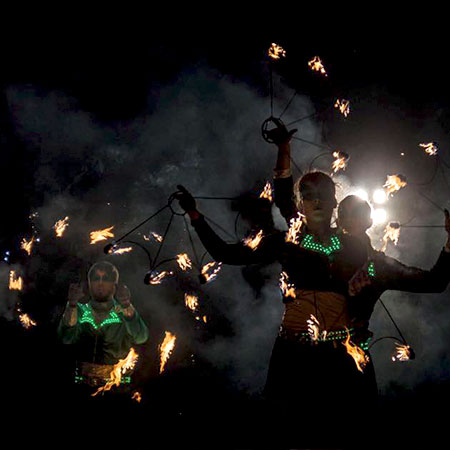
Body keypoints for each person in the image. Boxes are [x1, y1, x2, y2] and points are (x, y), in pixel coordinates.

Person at [58, 261, 149, 389]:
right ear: (89, 283)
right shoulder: (80, 310)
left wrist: (126, 305)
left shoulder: (123, 312)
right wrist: (72, 304)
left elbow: (141, 337)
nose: (100, 284)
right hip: (81, 385)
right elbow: (66, 338)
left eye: (106, 279)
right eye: (96, 279)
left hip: (116, 386)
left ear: (114, 284)